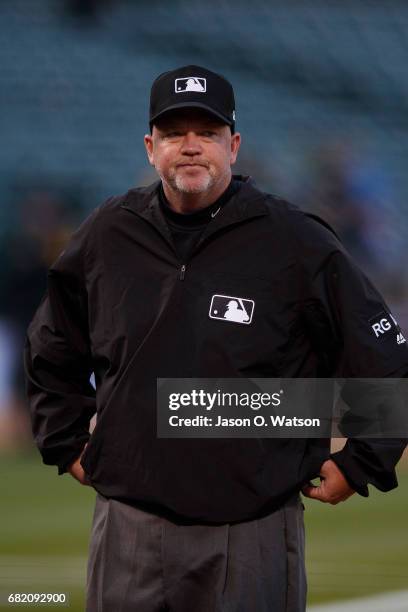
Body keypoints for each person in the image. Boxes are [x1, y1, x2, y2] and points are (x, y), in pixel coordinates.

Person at [24, 65, 408, 612]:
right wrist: (65, 442)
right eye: (174, 133)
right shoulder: (108, 234)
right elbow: (51, 345)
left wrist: (361, 461)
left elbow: (385, 354)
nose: (190, 147)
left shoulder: (294, 239)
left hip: (253, 531)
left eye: (206, 133)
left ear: (234, 145)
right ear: (149, 147)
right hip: (129, 527)